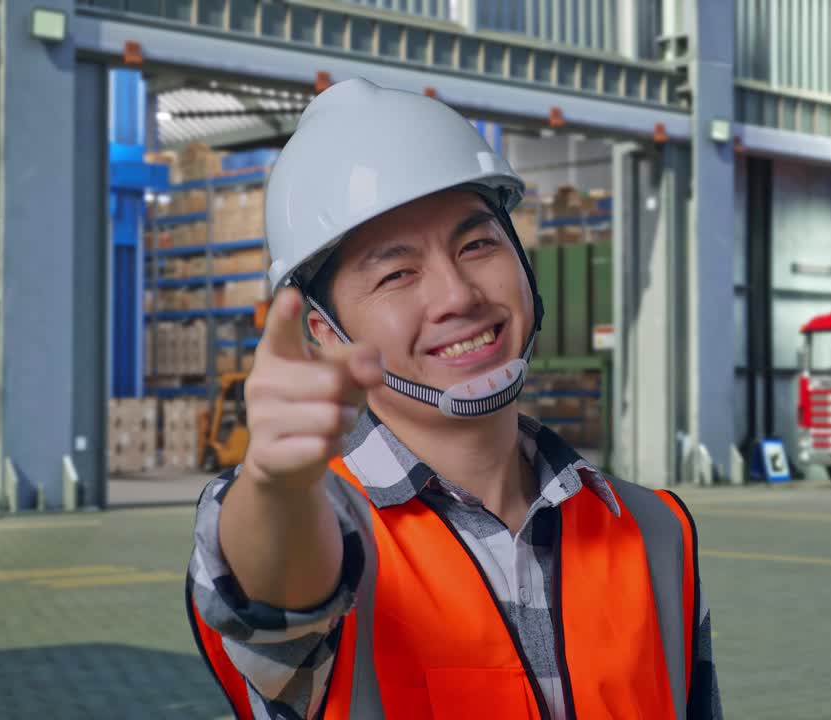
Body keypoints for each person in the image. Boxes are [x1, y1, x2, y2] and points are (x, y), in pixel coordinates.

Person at [185, 78, 723, 720]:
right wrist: (277, 482)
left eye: (478, 244)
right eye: (397, 273)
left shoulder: (656, 531)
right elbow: (275, 587)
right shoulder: (320, 524)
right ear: (327, 333)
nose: (459, 295)